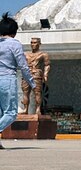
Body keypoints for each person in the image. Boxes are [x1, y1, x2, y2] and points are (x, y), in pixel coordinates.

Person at [0, 13, 40, 147]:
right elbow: (23, 65)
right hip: (7, 79)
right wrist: (32, 83)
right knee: (11, 113)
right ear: (14, 32)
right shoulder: (14, 44)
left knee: (0, 113)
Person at [20, 37, 50, 115]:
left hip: (36, 73)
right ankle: (25, 109)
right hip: (26, 74)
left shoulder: (43, 54)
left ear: (39, 44)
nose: (33, 44)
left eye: (35, 42)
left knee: (37, 92)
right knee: (25, 92)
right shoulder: (25, 54)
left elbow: (47, 65)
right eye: (32, 42)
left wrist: (45, 75)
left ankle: (38, 109)